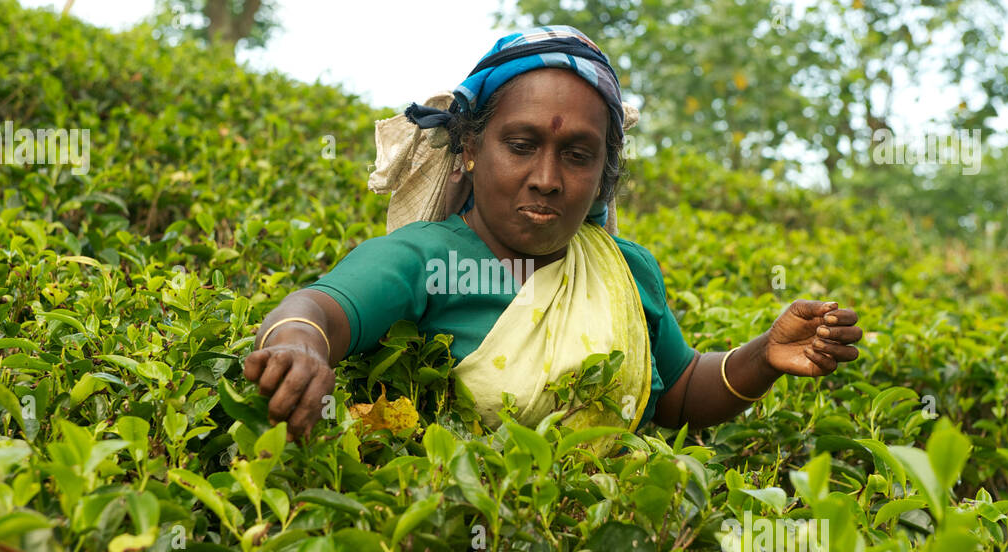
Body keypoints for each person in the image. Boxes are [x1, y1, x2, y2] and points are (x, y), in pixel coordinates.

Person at [243, 25, 862, 441]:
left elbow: (675, 396)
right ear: (468, 149)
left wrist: (764, 357)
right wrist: (299, 345)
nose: (546, 178)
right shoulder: (424, 259)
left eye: (577, 155)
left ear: (603, 173)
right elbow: (321, 307)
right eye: (521, 145)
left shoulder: (627, 269)